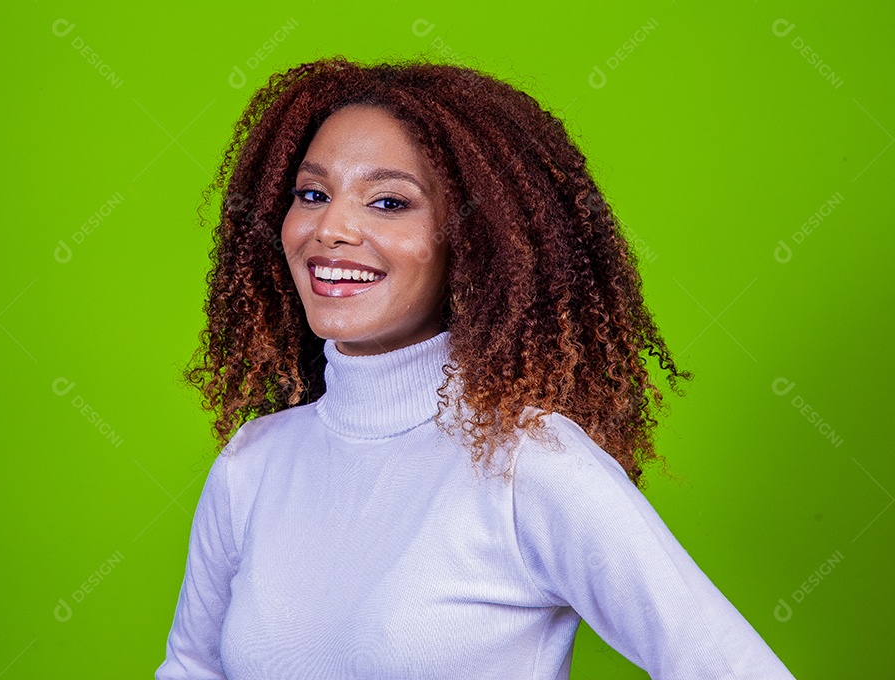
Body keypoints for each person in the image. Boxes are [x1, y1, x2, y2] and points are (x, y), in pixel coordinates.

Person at [155, 57, 796, 679]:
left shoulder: (528, 464)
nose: (331, 229)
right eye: (313, 193)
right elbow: (191, 670)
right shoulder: (254, 464)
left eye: (389, 202)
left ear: (474, 237)